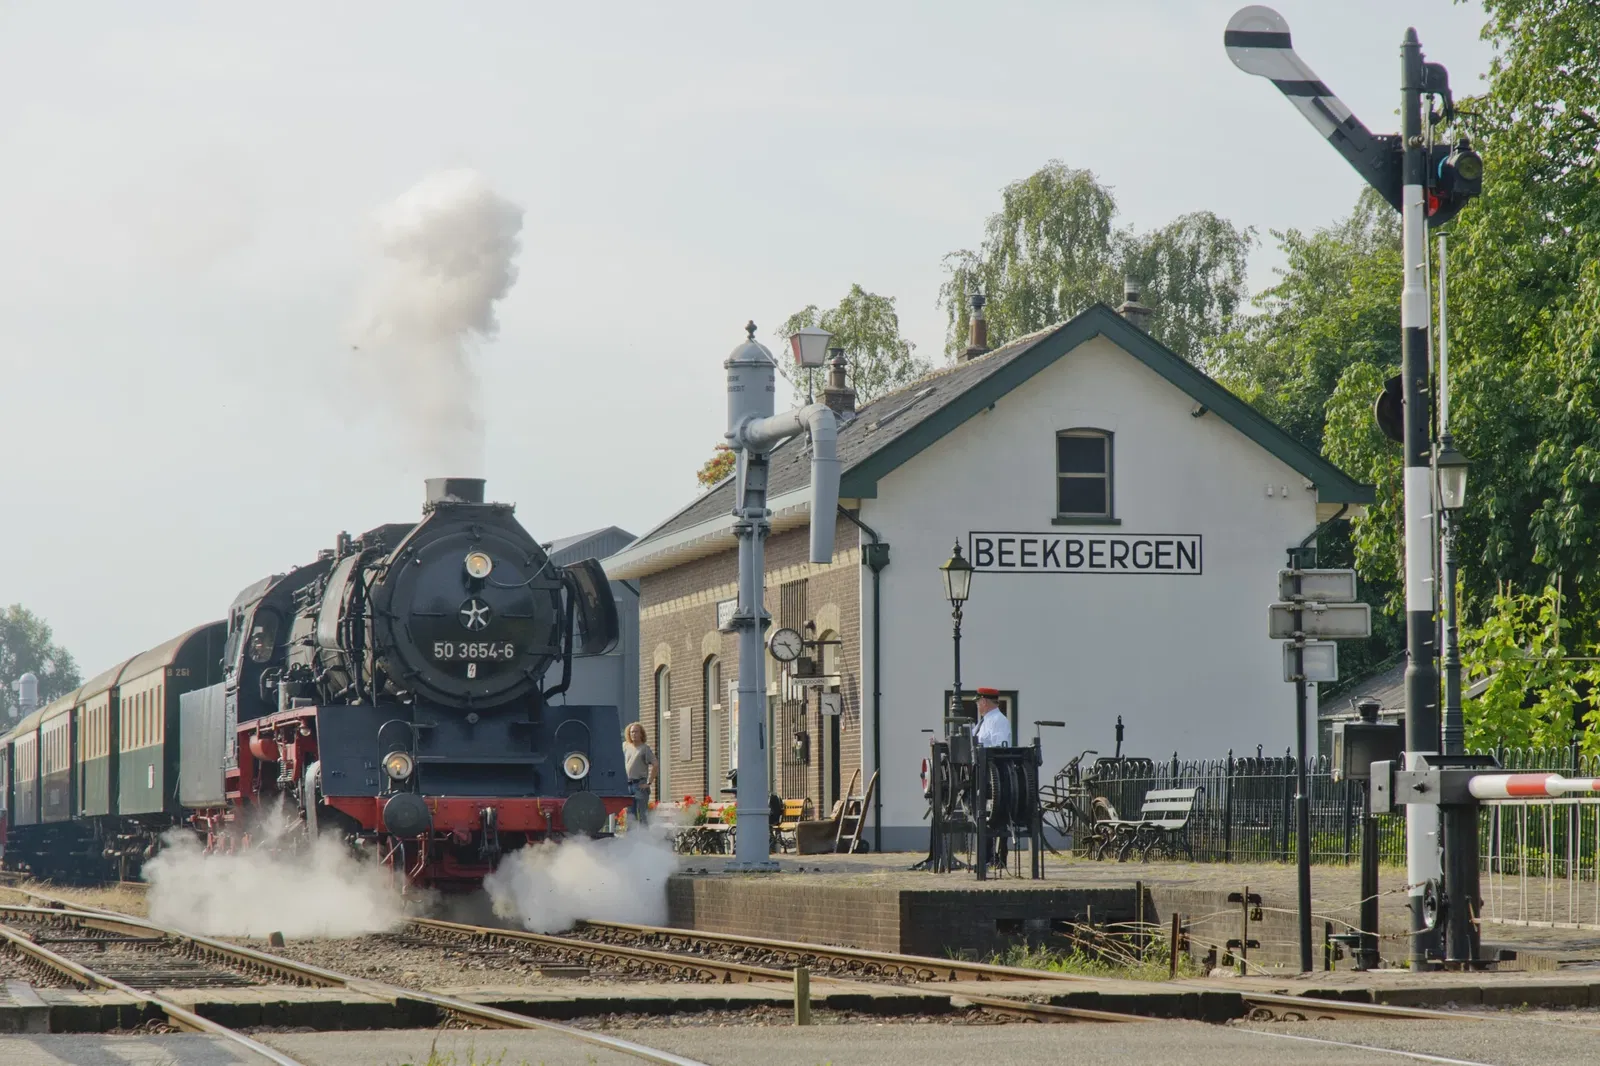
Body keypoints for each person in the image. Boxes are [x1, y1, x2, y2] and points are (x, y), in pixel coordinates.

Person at [621, 722, 658, 826]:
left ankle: (644, 839)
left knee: (643, 815)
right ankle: (631, 839)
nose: (633, 734)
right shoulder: (625, 746)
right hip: (627, 785)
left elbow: (655, 764)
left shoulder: (644, 749)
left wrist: (649, 783)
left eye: (636, 732)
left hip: (640, 785)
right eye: (632, 732)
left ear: (641, 733)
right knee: (630, 816)